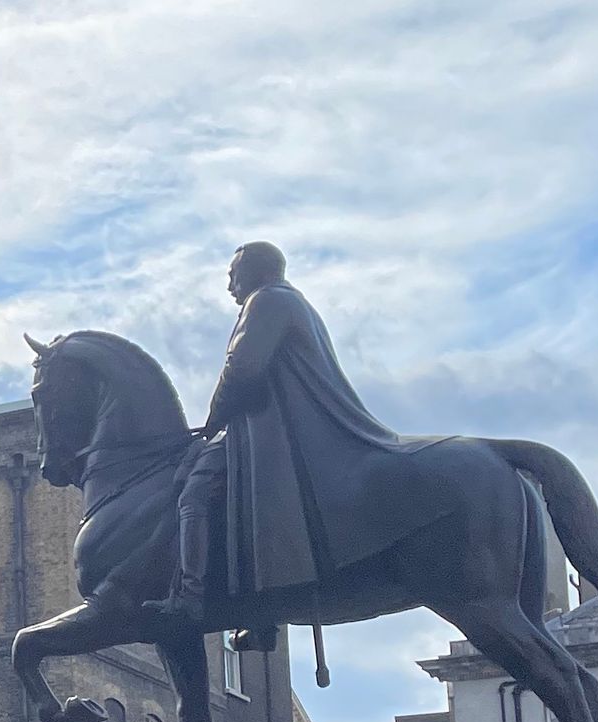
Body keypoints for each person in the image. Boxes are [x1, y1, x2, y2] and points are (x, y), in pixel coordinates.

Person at [144, 241, 451, 630]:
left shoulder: (266, 300)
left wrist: (213, 418)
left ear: (256, 270)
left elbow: (242, 369)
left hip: (281, 434)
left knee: (196, 489)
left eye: (233, 275)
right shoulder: (294, 302)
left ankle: (190, 597)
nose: (229, 287)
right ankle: (257, 616)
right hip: (282, 427)